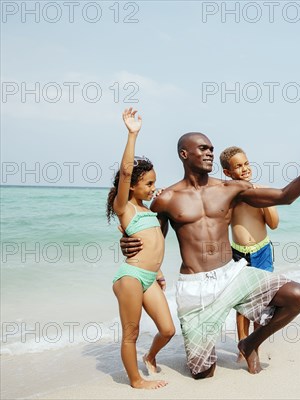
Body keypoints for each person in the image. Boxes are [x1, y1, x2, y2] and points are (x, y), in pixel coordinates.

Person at [120, 130, 300, 379]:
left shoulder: (229, 189)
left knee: (297, 296)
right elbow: (154, 240)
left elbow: (285, 196)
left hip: (232, 274)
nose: (209, 153)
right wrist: (128, 243)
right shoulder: (166, 199)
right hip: (195, 288)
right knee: (203, 373)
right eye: (203, 148)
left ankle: (249, 343)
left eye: (211, 149)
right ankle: (205, 355)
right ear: (184, 154)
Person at [106, 108, 175, 389]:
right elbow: (124, 171)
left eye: (154, 182)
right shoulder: (124, 208)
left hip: (149, 278)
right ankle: (136, 380)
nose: (153, 187)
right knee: (130, 333)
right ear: (132, 186)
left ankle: (149, 356)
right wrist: (132, 134)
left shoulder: (147, 209)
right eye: (148, 183)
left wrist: (157, 272)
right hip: (131, 277)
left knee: (168, 330)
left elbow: (152, 244)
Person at [219, 146, 279, 360]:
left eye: (246, 163)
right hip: (239, 253)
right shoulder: (229, 196)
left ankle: (254, 345)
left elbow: (274, 224)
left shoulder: (259, 191)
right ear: (227, 172)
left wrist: (267, 199)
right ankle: (241, 346)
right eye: (238, 166)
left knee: (262, 303)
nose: (244, 169)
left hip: (262, 250)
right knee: (242, 302)